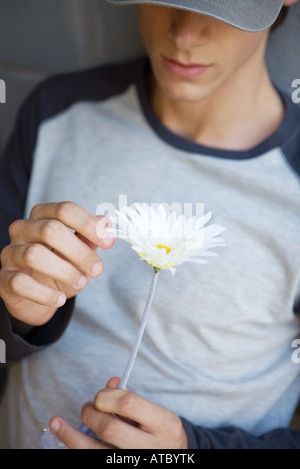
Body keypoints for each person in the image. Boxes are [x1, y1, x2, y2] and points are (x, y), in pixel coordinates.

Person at [0, 0, 299, 449]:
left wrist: (186, 451)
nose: (183, 34)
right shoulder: (57, 110)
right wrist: (18, 316)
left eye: (222, 6)